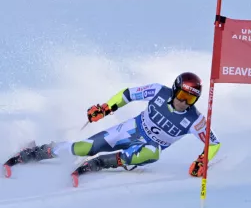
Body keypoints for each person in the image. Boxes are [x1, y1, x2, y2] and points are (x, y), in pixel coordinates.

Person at [3, 72, 221, 187]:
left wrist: (202, 160)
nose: (185, 102)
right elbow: (128, 94)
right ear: (175, 91)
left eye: (191, 99)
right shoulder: (158, 91)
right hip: (130, 129)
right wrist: (106, 108)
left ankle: (100, 163)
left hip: (148, 147)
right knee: (83, 147)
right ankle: (37, 152)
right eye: (182, 96)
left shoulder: (195, 120)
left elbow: (214, 143)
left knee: (152, 153)